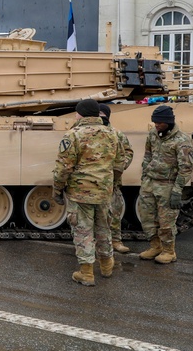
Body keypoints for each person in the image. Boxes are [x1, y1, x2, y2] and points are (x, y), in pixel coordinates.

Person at [52, 99, 119, 286]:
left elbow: (64, 167)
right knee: (104, 228)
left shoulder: (73, 135)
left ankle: (87, 273)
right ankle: (106, 266)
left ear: (80, 114)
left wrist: (57, 190)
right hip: (104, 191)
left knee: (83, 231)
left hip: (80, 193)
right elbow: (119, 160)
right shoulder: (112, 134)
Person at [137, 105, 193, 264]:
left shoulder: (182, 141)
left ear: (169, 122)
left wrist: (177, 190)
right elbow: (147, 156)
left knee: (166, 221)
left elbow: (186, 168)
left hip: (167, 185)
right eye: (155, 122)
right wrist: (144, 176)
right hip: (150, 183)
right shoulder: (153, 135)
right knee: (147, 218)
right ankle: (155, 246)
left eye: (160, 123)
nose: (156, 125)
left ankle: (169, 251)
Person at [98, 103, 134, 254]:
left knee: (114, 212)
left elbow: (128, 152)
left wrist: (119, 168)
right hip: (92, 182)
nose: (100, 118)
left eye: (103, 115)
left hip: (112, 181)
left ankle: (116, 241)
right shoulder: (88, 132)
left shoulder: (117, 134)